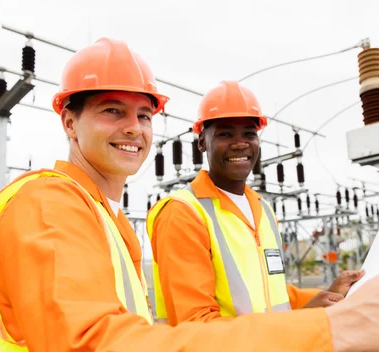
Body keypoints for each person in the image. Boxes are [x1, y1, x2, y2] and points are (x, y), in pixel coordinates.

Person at [0, 38, 379, 352]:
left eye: (144, 115)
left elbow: (266, 295)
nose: (133, 127)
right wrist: (335, 333)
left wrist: (325, 301)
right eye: (111, 111)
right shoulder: (45, 204)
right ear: (68, 122)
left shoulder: (110, 220)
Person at [146, 80, 364, 326]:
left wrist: (327, 296)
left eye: (249, 133)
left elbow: (270, 294)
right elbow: (196, 324)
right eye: (225, 133)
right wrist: (300, 321)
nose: (240, 143)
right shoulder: (183, 212)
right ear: (201, 143)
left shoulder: (263, 209)